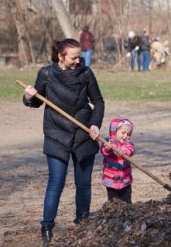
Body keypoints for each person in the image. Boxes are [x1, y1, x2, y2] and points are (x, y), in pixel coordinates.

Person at [22, 38, 104, 245]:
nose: (78, 60)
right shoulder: (46, 74)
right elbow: (36, 102)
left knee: (83, 184)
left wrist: (95, 125)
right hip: (56, 133)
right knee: (55, 183)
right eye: (74, 57)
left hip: (83, 133)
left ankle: (82, 223)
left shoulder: (86, 73)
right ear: (61, 56)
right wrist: (29, 97)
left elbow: (98, 102)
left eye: (80, 56)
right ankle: (47, 226)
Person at [101, 117, 135, 204]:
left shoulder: (128, 143)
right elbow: (104, 151)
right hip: (111, 181)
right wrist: (108, 149)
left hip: (125, 180)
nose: (125, 136)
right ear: (115, 131)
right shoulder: (108, 142)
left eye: (128, 134)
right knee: (113, 204)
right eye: (123, 133)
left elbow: (131, 150)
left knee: (127, 203)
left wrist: (125, 152)